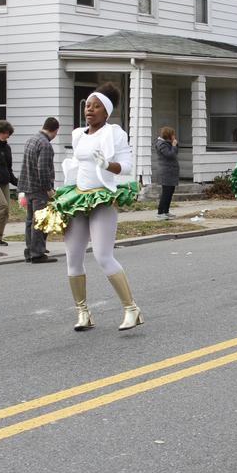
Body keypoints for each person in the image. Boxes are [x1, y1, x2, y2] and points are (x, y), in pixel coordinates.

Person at [39, 84, 141, 332]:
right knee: (73, 258)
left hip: (102, 198)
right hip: (77, 197)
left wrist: (108, 164)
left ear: (106, 112)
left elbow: (127, 167)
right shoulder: (78, 135)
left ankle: (131, 309)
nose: (90, 110)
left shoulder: (114, 133)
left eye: (96, 106)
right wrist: (62, 192)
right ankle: (83, 313)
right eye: (87, 105)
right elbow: (76, 166)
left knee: (102, 255)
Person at [18, 117, 59, 263]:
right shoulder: (45, 144)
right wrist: (48, 188)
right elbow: (43, 169)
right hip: (39, 188)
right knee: (40, 221)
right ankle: (37, 253)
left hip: (27, 186)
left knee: (30, 221)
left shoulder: (31, 140)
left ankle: (29, 251)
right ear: (55, 130)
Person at [154, 126, 179, 220]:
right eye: (173, 134)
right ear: (169, 135)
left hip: (170, 172)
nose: (174, 136)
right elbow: (170, 155)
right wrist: (173, 145)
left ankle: (166, 211)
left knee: (170, 192)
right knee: (166, 193)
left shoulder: (167, 143)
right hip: (166, 172)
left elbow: (175, 152)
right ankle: (160, 213)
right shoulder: (162, 144)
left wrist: (174, 144)